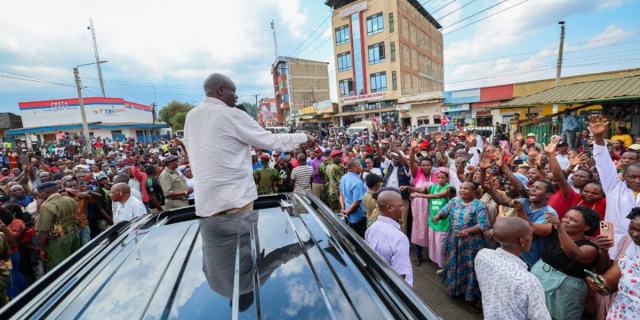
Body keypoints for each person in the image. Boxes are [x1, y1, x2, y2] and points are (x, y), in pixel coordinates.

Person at [183, 73, 314, 217]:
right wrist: (303, 137)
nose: (236, 96)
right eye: (233, 90)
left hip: (207, 202)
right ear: (220, 90)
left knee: (216, 239)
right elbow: (271, 140)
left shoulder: (191, 116)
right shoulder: (232, 114)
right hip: (235, 199)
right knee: (242, 239)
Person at [514, 203, 601, 320]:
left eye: (573, 220)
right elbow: (530, 226)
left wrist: (560, 228)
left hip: (565, 290)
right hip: (539, 277)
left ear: (586, 228)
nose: (565, 221)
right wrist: (520, 211)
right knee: (534, 311)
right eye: (565, 217)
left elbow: (574, 254)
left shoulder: (591, 247)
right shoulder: (554, 230)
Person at [475, 217, 551, 320]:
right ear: (522, 241)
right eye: (530, 236)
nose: (531, 239)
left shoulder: (483, 255)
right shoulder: (529, 281)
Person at [431, 182, 489, 310]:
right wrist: (437, 216)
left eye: (466, 189)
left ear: (473, 192)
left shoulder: (480, 205)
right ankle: (455, 289)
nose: (462, 190)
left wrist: (468, 231)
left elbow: (484, 225)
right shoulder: (455, 201)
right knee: (454, 263)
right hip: (454, 239)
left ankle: (473, 296)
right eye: (461, 188)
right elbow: (443, 211)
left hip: (471, 243)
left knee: (470, 267)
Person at [589, 115, 640, 258]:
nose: (637, 181)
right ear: (625, 175)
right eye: (632, 177)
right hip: (614, 244)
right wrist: (599, 138)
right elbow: (603, 163)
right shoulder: (614, 188)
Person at [587, 207, 640, 320]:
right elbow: (609, 282)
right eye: (631, 228)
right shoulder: (629, 256)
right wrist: (600, 283)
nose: (635, 234)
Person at [364, 190, 412, 287]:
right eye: (400, 205)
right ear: (389, 208)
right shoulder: (400, 238)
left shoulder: (371, 228)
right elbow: (400, 277)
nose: (403, 208)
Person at [34, 182, 80, 272]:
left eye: (40, 193)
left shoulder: (47, 206)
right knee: (75, 264)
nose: (39, 196)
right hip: (74, 235)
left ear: (46, 192)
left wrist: (41, 249)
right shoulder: (70, 200)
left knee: (58, 269)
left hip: (57, 241)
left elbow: (44, 230)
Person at [339, 159, 367, 237]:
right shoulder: (357, 182)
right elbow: (356, 203)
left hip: (346, 212)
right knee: (359, 237)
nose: (362, 167)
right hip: (357, 216)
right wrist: (347, 211)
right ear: (354, 168)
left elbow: (341, 195)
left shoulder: (344, 178)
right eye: (360, 165)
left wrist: (343, 208)